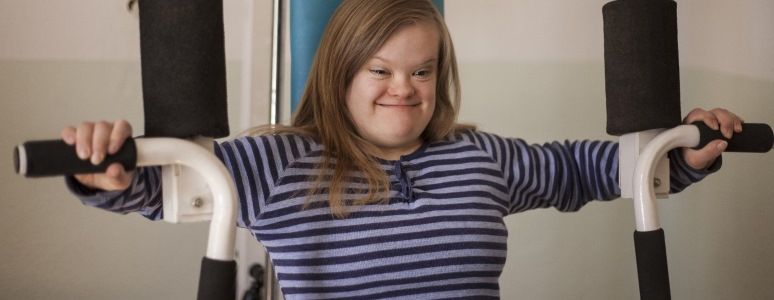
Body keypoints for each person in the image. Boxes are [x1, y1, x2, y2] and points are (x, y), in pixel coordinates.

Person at [62, 0, 743, 298]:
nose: (404, 89)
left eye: (421, 70)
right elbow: (174, 184)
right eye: (380, 70)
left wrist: (684, 151)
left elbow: (592, 169)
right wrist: (104, 167)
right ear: (341, 71)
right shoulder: (280, 163)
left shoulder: (480, 158)